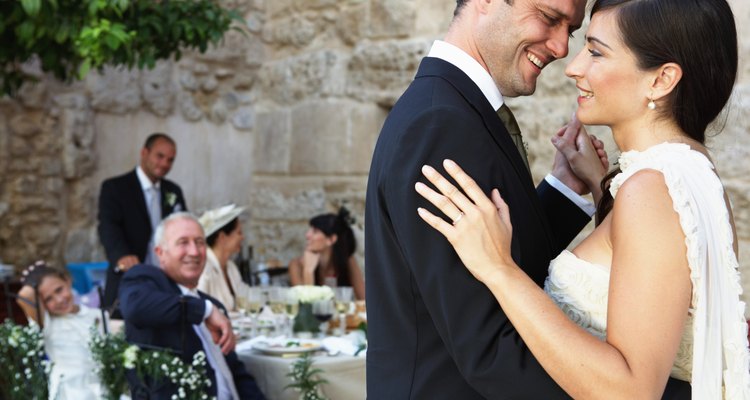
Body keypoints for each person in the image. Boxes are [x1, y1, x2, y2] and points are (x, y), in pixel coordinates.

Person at [415, 0, 749, 398]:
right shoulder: (689, 174)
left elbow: (632, 390)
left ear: (661, 80)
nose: (573, 67)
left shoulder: (651, 191)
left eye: (595, 52)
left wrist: (500, 271)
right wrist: (598, 186)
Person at [119, 212, 264, 399]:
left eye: (200, 242)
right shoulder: (146, 281)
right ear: (160, 253)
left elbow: (236, 373)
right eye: (183, 242)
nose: (194, 251)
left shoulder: (214, 305)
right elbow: (135, 307)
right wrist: (204, 311)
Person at [98, 133, 187, 316]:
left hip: (166, 283)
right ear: (144, 153)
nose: (164, 164)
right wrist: (122, 256)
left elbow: (183, 228)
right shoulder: (115, 187)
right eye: (159, 156)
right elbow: (108, 226)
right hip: (129, 280)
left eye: (170, 160)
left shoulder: (174, 191)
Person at [16, 261, 105, 400]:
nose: (58, 300)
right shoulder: (47, 324)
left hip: (102, 388)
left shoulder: (95, 315)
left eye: (59, 290)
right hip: (70, 393)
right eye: (48, 299)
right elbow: (24, 295)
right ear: (41, 303)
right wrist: (32, 277)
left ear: (67, 281)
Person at [288, 207, 365, 300]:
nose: (307, 235)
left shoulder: (347, 260)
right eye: (310, 230)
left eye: (315, 232)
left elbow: (363, 299)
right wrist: (308, 271)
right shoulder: (296, 265)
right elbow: (303, 305)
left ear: (331, 239)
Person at [197, 204, 251, 311]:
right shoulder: (204, 269)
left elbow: (247, 300)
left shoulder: (231, 267)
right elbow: (199, 309)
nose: (242, 237)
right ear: (222, 237)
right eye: (239, 233)